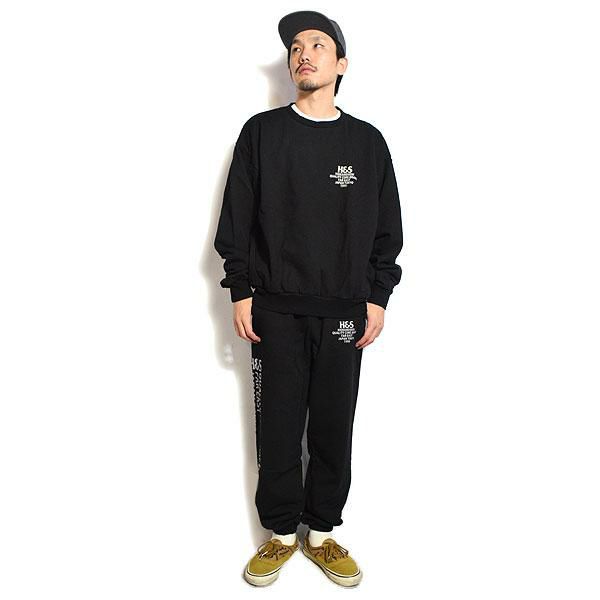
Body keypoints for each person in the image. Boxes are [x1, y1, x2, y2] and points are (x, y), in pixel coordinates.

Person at [213, 10, 403, 587]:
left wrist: (378, 296)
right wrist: (240, 289)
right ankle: (278, 533)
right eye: (296, 46)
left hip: (345, 311)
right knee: (277, 426)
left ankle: (321, 532)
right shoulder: (262, 134)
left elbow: (387, 229)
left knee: (333, 426)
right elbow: (237, 217)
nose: (304, 54)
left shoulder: (367, 143)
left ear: (341, 64)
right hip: (274, 308)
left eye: (318, 44)